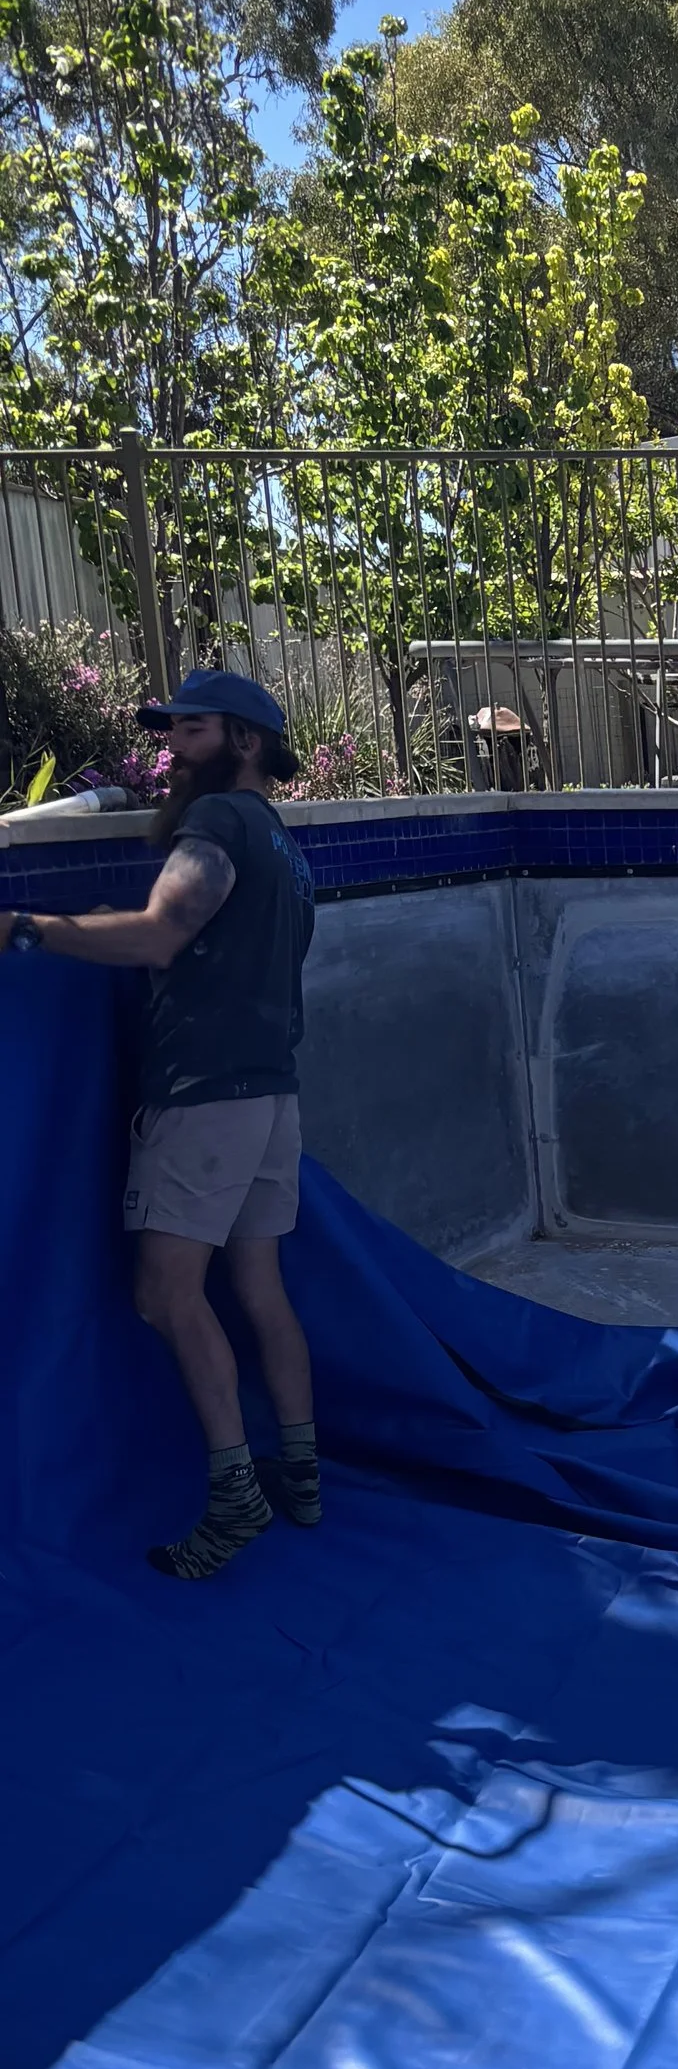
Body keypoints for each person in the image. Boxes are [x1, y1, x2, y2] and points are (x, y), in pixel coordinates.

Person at [5, 668, 322, 1579]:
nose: (171, 748)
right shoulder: (282, 845)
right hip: (270, 1094)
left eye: (191, 731)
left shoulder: (217, 822)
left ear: (247, 742)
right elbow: (198, 944)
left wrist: (25, 927)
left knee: (166, 1295)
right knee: (260, 1288)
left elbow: (159, 935)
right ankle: (302, 1475)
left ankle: (236, 1500)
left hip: (205, 1097)